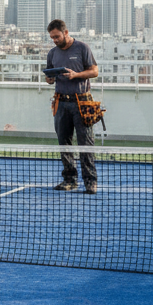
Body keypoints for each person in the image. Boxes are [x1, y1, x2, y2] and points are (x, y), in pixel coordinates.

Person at [44, 18, 98, 194]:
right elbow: (49, 77)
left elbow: (94, 71)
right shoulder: (53, 53)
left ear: (65, 33)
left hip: (82, 102)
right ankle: (69, 180)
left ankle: (90, 182)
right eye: (52, 37)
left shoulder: (82, 48)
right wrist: (49, 78)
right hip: (61, 103)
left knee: (86, 144)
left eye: (57, 36)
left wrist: (77, 75)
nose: (55, 40)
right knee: (64, 144)